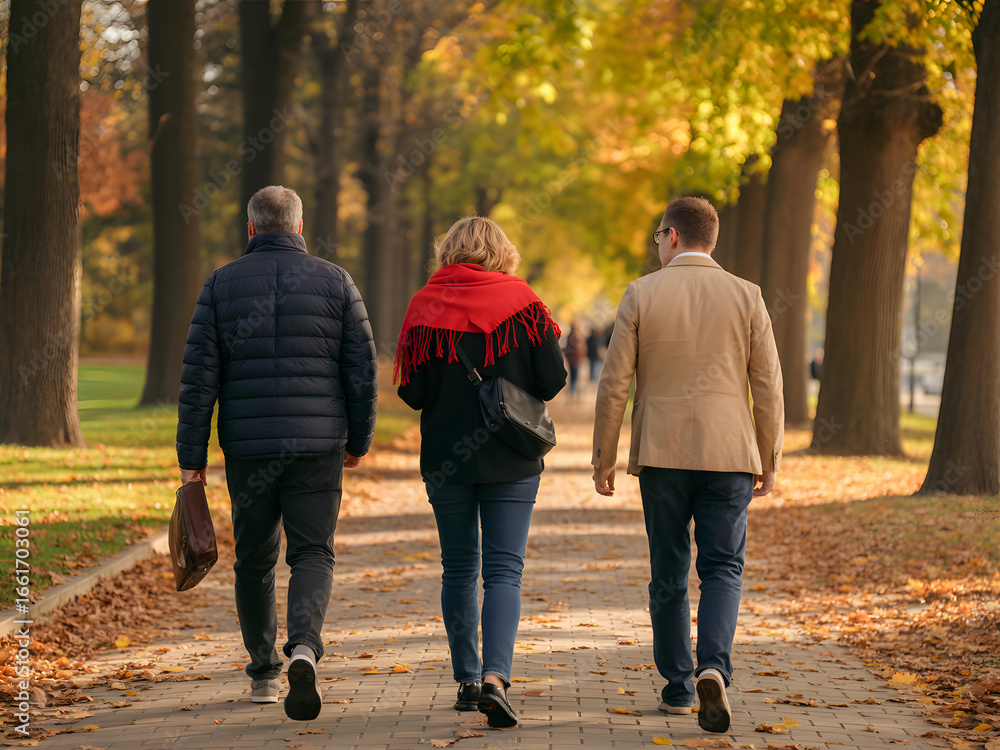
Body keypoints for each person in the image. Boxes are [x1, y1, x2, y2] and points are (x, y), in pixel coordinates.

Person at [176, 185, 377, 721]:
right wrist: (359, 440)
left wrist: (190, 459)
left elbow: (199, 381)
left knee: (255, 559)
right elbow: (362, 370)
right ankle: (305, 648)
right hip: (317, 446)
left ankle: (264, 671)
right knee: (313, 552)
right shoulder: (336, 282)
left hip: (250, 449)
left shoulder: (220, 285)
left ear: (251, 228)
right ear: (299, 226)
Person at [592, 196, 784, 734]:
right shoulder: (748, 296)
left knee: (669, 571)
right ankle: (714, 668)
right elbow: (768, 384)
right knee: (723, 568)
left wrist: (605, 457)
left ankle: (678, 687)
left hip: (663, 454)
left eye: (658, 236)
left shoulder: (641, 294)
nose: (656, 245)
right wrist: (769, 458)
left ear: (672, 236)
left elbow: (614, 385)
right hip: (729, 454)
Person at [395, 216, 566, 728]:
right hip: (511, 457)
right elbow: (554, 380)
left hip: (446, 457)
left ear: (448, 250)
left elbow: (413, 392)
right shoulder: (524, 302)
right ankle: (496, 678)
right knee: (504, 570)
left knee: (458, 568)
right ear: (503, 251)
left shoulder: (426, 305)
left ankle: (467, 680)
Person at [562, 322, 586, 399]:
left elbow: (567, 348)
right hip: (576, 360)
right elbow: (581, 349)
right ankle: (573, 394)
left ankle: (572, 394)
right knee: (575, 378)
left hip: (572, 360)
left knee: (573, 377)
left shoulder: (570, 336)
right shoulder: (578, 337)